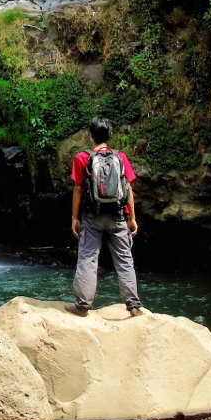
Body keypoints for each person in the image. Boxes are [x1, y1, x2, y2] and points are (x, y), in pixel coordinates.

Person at [66, 116, 142, 317]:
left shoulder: (82, 158)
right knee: (125, 260)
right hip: (118, 215)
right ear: (110, 135)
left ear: (91, 136)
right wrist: (132, 218)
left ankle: (82, 306)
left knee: (88, 258)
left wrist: (75, 218)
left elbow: (78, 189)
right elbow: (128, 188)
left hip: (93, 216)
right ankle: (133, 306)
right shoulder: (120, 157)